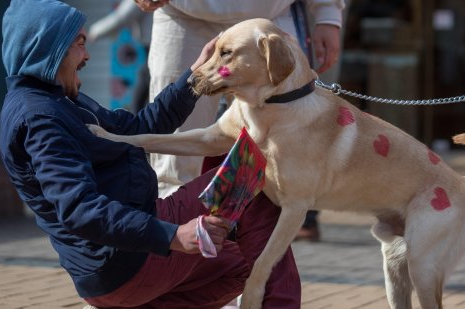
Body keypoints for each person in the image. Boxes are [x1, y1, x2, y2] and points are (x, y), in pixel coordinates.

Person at [0, 1, 300, 308]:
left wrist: (196, 74)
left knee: (242, 266)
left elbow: (140, 128)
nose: (87, 55)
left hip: (119, 271)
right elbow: (79, 209)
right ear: (49, 48)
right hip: (127, 261)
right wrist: (172, 235)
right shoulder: (40, 119)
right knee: (252, 173)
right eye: (79, 43)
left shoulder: (55, 101)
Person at [134, 0, 346, 242]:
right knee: (174, 165)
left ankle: (259, 261)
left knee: (277, 156)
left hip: (267, 26)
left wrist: (328, 14)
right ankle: (176, 251)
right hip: (184, 17)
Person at [88, 0, 152, 114]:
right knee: (147, 80)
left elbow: (122, 17)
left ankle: (136, 117)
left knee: (145, 80)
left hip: (153, 45)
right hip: (151, 44)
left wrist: (95, 31)